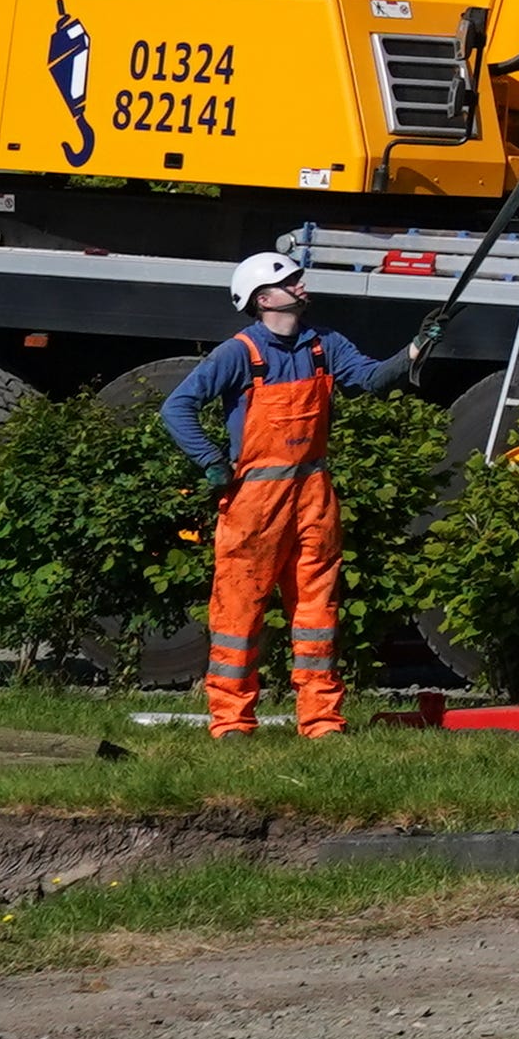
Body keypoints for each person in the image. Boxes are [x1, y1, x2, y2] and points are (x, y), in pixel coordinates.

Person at [165, 252, 423, 740]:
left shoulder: (325, 344)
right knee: (239, 609)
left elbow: (369, 380)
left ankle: (321, 720)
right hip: (255, 502)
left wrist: (412, 354)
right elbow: (177, 408)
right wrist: (212, 464)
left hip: (313, 494)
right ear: (264, 299)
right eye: (291, 280)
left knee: (317, 610)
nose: (302, 285)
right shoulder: (238, 353)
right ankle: (231, 722)